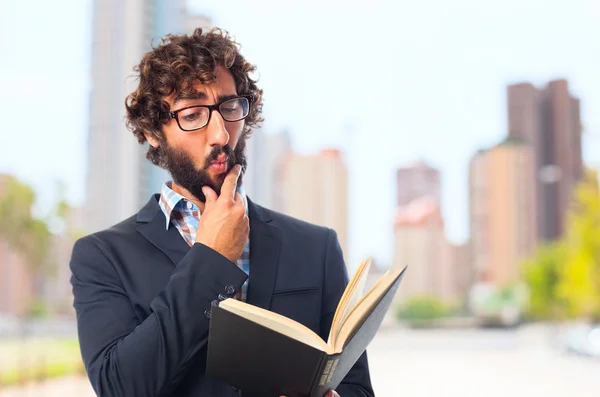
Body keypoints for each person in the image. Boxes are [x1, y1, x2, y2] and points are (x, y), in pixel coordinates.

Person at [70, 27, 374, 397]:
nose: (220, 134)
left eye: (229, 108)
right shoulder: (102, 257)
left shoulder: (317, 246)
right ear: (153, 130)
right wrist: (212, 259)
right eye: (194, 114)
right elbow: (121, 387)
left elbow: (356, 387)